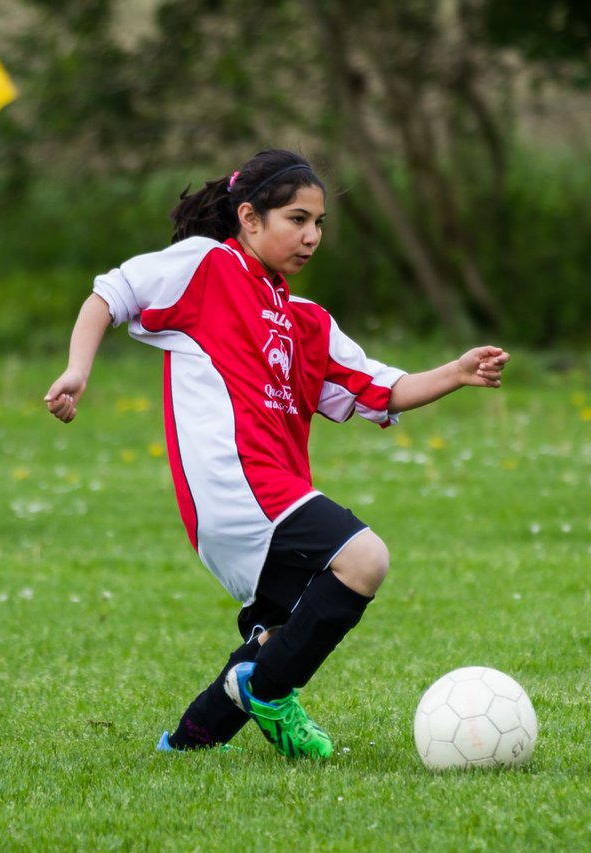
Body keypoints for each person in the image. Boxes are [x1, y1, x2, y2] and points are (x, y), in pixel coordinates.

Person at [44, 148, 509, 760]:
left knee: (279, 636)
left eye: (319, 223)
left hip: (266, 493)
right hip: (236, 481)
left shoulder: (307, 320)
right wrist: (78, 370)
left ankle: (189, 744)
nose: (311, 236)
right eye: (296, 219)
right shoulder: (208, 266)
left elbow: (380, 389)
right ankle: (268, 692)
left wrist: (454, 371)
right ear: (250, 218)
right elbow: (110, 295)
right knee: (365, 560)